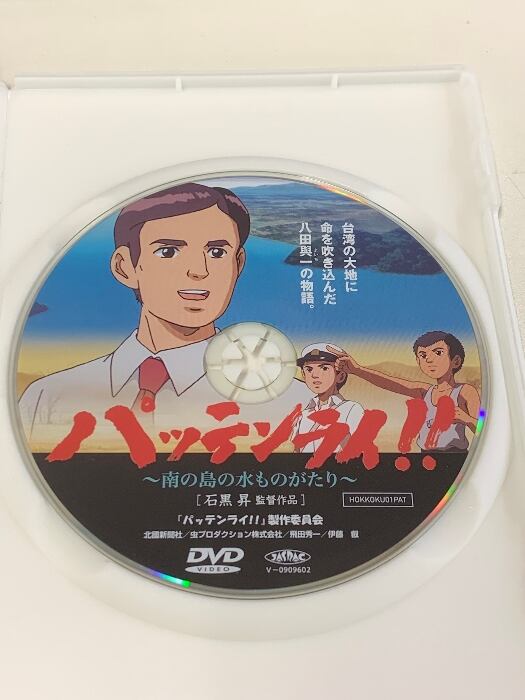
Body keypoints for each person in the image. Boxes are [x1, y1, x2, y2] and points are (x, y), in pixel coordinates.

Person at [19, 182, 310, 444]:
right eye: (168, 251)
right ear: (125, 267)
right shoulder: (46, 397)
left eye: (217, 253)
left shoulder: (296, 405)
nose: (199, 271)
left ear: (238, 264)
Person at [327, 330, 480, 452]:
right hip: (425, 456)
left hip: (455, 458)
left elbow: (484, 427)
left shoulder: (465, 392)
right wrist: (358, 370)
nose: (429, 359)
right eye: (423, 355)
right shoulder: (425, 391)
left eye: (438, 352)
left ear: (456, 361)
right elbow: (390, 383)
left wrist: (466, 419)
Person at [291, 343, 364, 454]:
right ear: (303, 375)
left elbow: (358, 452)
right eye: (309, 369)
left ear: (340, 376)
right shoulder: (303, 415)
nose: (315, 375)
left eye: (324, 368)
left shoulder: (351, 409)